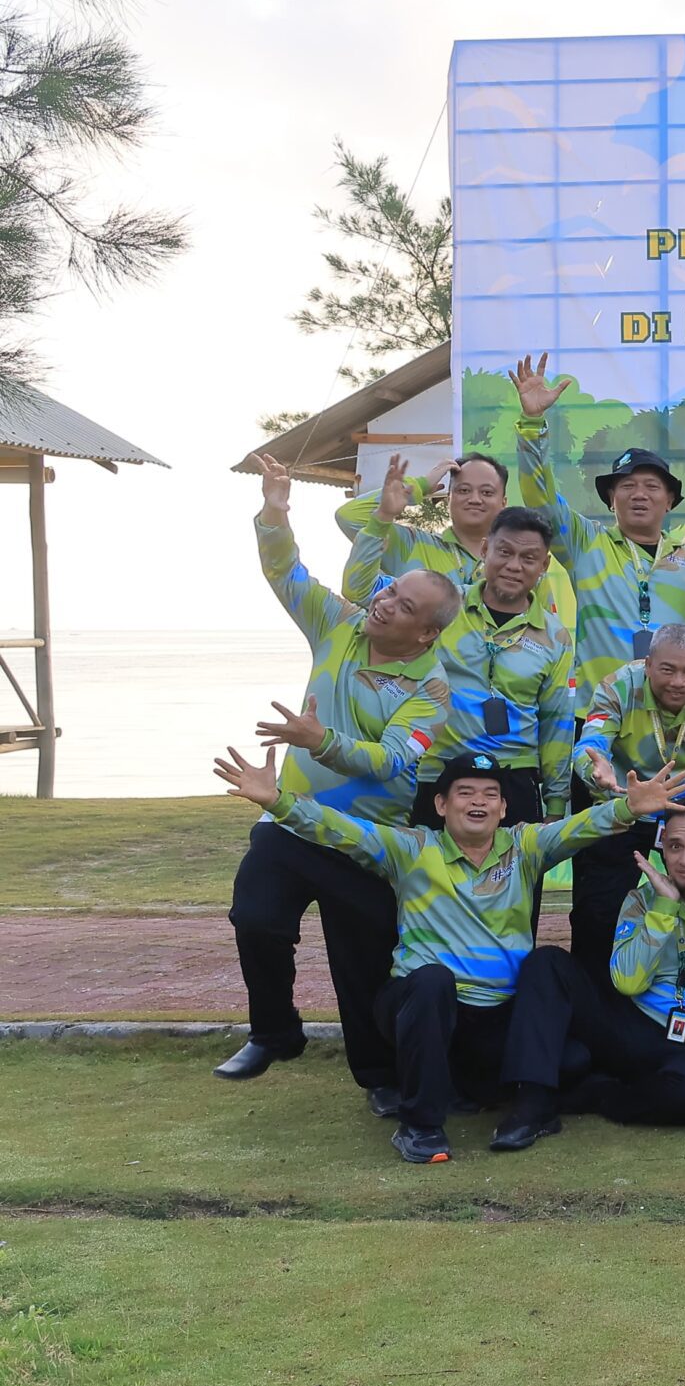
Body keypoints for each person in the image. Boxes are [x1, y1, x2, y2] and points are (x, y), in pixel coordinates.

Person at [211, 745, 680, 1162]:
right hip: (426, 1009)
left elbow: (581, 828)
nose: (479, 801)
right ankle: (420, 1126)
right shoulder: (410, 848)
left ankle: (519, 1105)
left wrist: (627, 808)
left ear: (503, 806)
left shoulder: (526, 846)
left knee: (567, 1031)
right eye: (465, 792)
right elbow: (337, 829)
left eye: (490, 793)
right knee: (433, 981)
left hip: (496, 1019)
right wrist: (277, 801)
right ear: (440, 804)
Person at [218, 454, 459, 1095]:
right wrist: (275, 511)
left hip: (365, 842)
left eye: (403, 605)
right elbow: (286, 573)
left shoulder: (432, 691)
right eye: (387, 590)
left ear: (427, 633)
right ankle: (274, 1033)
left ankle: (379, 1074)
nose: (382, 604)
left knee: (362, 964)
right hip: (290, 821)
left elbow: (393, 761)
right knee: (256, 919)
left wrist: (317, 739)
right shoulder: (339, 626)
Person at [499, 801, 685, 1147]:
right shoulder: (643, 898)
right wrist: (662, 910)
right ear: (662, 847)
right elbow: (628, 981)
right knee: (548, 963)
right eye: (675, 846)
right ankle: (532, 1107)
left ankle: (598, 1094)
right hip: (634, 1025)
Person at [507, 353, 685, 705]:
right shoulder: (586, 544)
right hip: (599, 714)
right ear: (611, 500)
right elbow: (541, 498)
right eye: (627, 487)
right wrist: (533, 422)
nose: (639, 494)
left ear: (669, 501)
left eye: (651, 486)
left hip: (671, 715)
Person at [569, 624, 685, 974]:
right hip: (627, 805)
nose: (678, 682)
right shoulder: (618, 686)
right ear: (648, 663)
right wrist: (598, 770)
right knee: (599, 910)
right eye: (667, 670)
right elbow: (591, 742)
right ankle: (591, 995)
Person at [412, 505, 575, 828]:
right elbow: (362, 592)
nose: (514, 566)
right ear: (485, 549)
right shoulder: (443, 606)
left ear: (543, 565)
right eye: (504, 552)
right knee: (431, 878)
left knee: (514, 878)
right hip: (438, 771)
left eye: (528, 558)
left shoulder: (556, 636)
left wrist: (555, 802)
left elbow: (557, 720)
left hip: (514, 780)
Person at [336, 450, 576, 625]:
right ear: (448, 498)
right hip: (419, 686)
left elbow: (545, 629)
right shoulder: (411, 544)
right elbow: (348, 516)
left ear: (503, 503)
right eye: (463, 490)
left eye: (486, 492)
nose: (474, 499)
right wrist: (418, 487)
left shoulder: (519, 564)